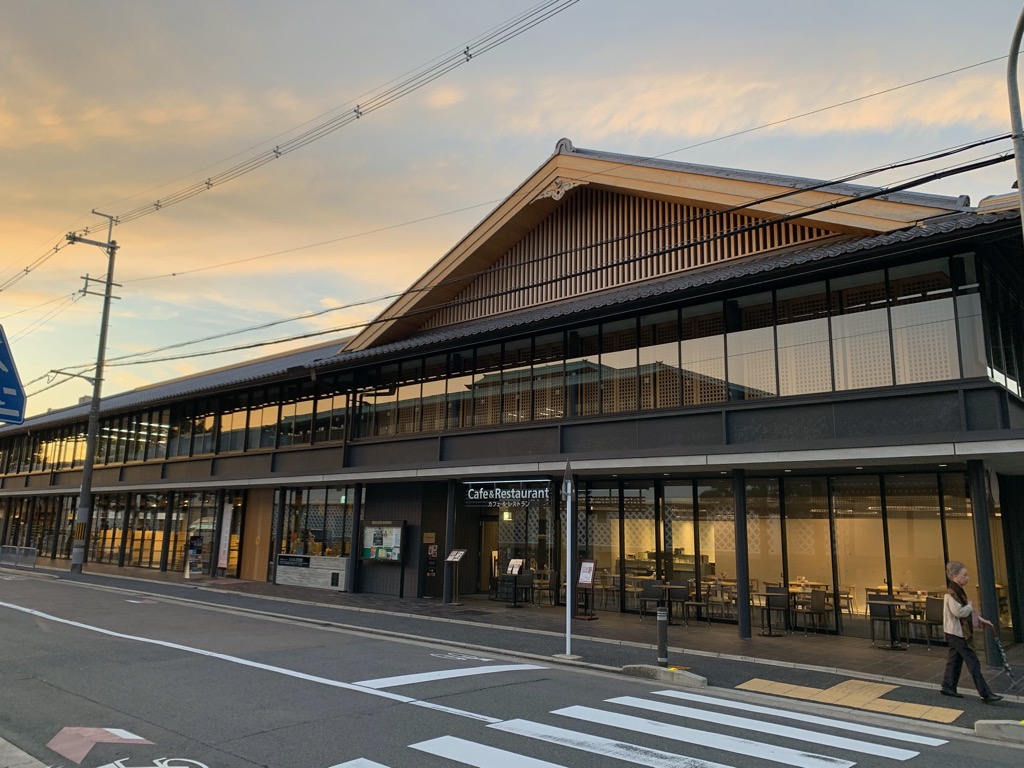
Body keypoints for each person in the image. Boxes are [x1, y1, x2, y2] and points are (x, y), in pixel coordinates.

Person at [940, 561, 1002, 702]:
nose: (967, 578)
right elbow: (959, 612)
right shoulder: (952, 593)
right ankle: (985, 693)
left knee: (954, 660)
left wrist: (980, 619)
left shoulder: (956, 591)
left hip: (954, 631)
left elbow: (966, 611)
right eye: (965, 575)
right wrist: (969, 606)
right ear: (955, 576)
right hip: (957, 632)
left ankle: (948, 687)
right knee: (972, 661)